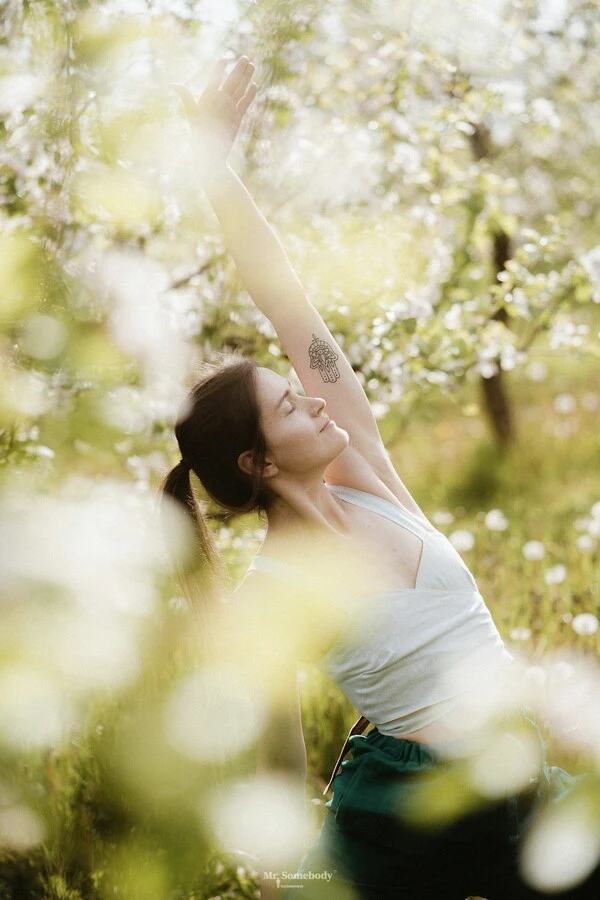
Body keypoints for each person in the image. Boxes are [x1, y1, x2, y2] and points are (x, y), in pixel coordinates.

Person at [161, 55, 600, 900]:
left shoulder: (363, 473)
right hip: (403, 820)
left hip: (517, 777)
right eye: (289, 407)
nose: (314, 400)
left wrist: (217, 173)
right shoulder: (273, 594)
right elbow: (279, 754)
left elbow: (286, 301)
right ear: (258, 462)